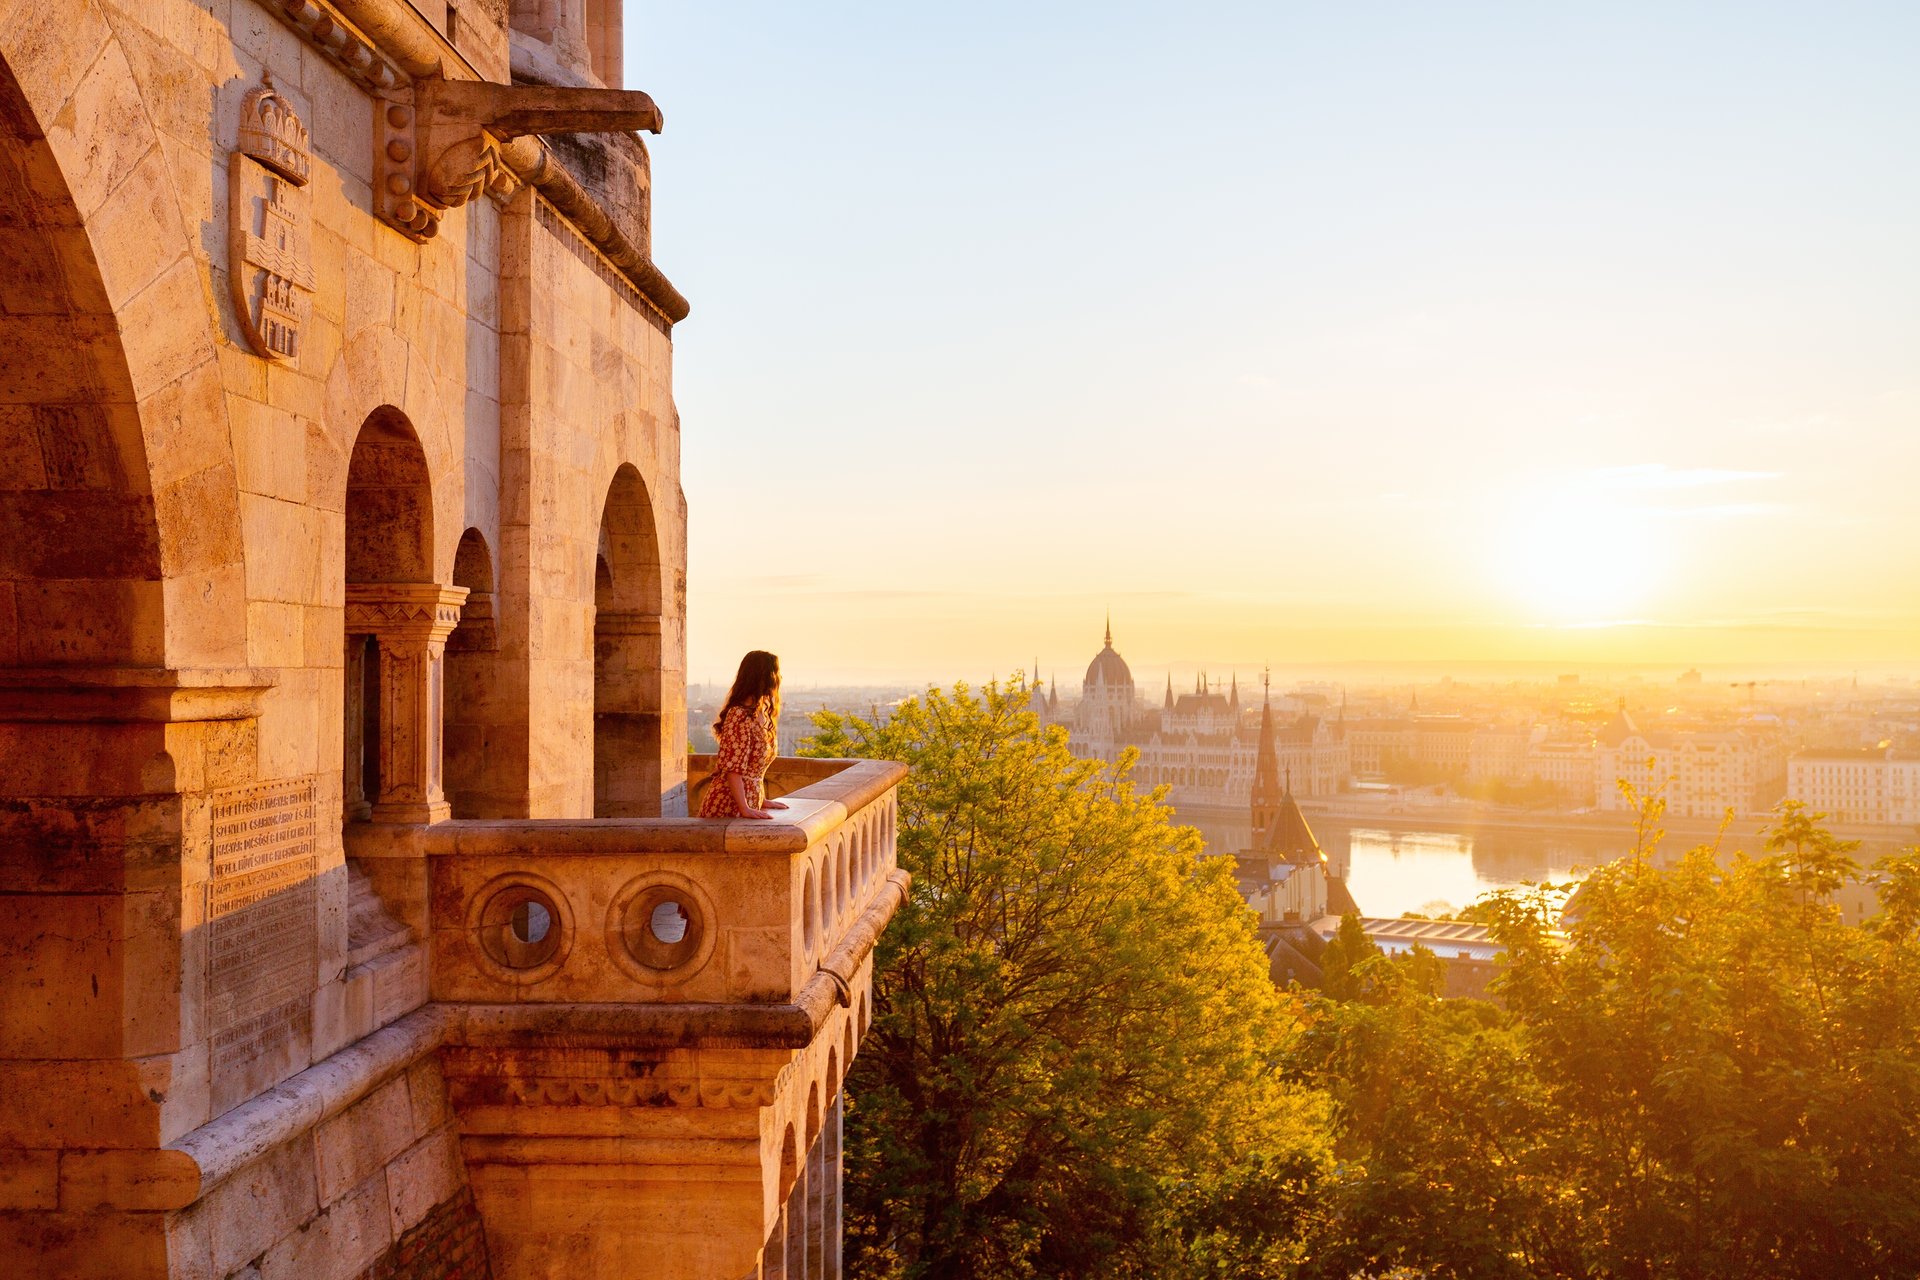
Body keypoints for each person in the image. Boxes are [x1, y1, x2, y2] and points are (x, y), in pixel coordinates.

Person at [698, 650, 790, 820]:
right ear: (762, 677)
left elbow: (753, 769)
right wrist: (744, 808)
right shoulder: (739, 714)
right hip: (729, 806)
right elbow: (733, 769)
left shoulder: (760, 713)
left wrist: (761, 799)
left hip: (748, 802)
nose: (779, 678)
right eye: (775, 673)